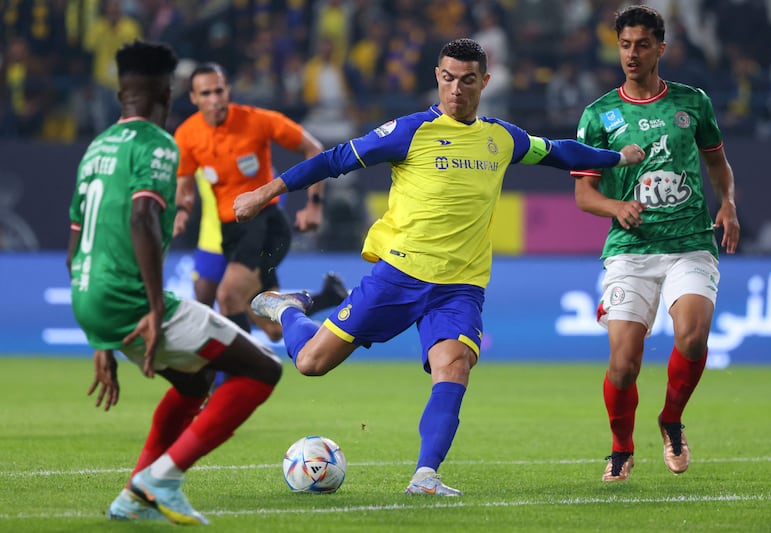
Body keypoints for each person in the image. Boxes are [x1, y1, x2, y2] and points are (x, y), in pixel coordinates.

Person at [234, 38, 645, 496]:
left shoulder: (502, 138)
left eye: (468, 80)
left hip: (460, 286)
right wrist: (264, 193)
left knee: (454, 367)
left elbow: (560, 152)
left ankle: (425, 475)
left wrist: (616, 157)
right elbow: (334, 161)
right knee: (311, 363)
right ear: (437, 77)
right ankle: (289, 308)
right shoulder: (409, 131)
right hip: (400, 276)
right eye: (448, 78)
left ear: (484, 82)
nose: (456, 89)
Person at [67, 40, 284, 524]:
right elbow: (144, 218)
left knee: (194, 382)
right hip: (129, 299)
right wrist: (156, 306)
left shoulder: (96, 147)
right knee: (263, 369)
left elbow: (76, 243)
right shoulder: (159, 145)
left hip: (90, 297)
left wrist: (99, 335)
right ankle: (161, 478)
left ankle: (133, 496)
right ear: (167, 92)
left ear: (122, 90)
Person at [570, 5, 740, 482]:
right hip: (630, 250)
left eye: (642, 44)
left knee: (693, 333)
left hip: (689, 240)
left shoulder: (693, 102)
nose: (632, 53)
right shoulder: (599, 114)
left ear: (660, 49)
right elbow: (585, 193)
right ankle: (621, 448)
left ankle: (671, 419)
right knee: (623, 365)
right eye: (625, 45)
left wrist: (727, 204)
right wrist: (616, 207)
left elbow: (718, 165)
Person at [171, 62, 347, 344]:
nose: (214, 99)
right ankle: (329, 297)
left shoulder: (256, 121)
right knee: (273, 329)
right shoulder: (187, 134)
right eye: (206, 94)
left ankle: (243, 376)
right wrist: (182, 210)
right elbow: (185, 184)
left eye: (219, 91)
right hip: (231, 234)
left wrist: (314, 203)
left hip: (265, 226)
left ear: (228, 90)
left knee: (228, 295)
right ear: (193, 97)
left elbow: (313, 148)